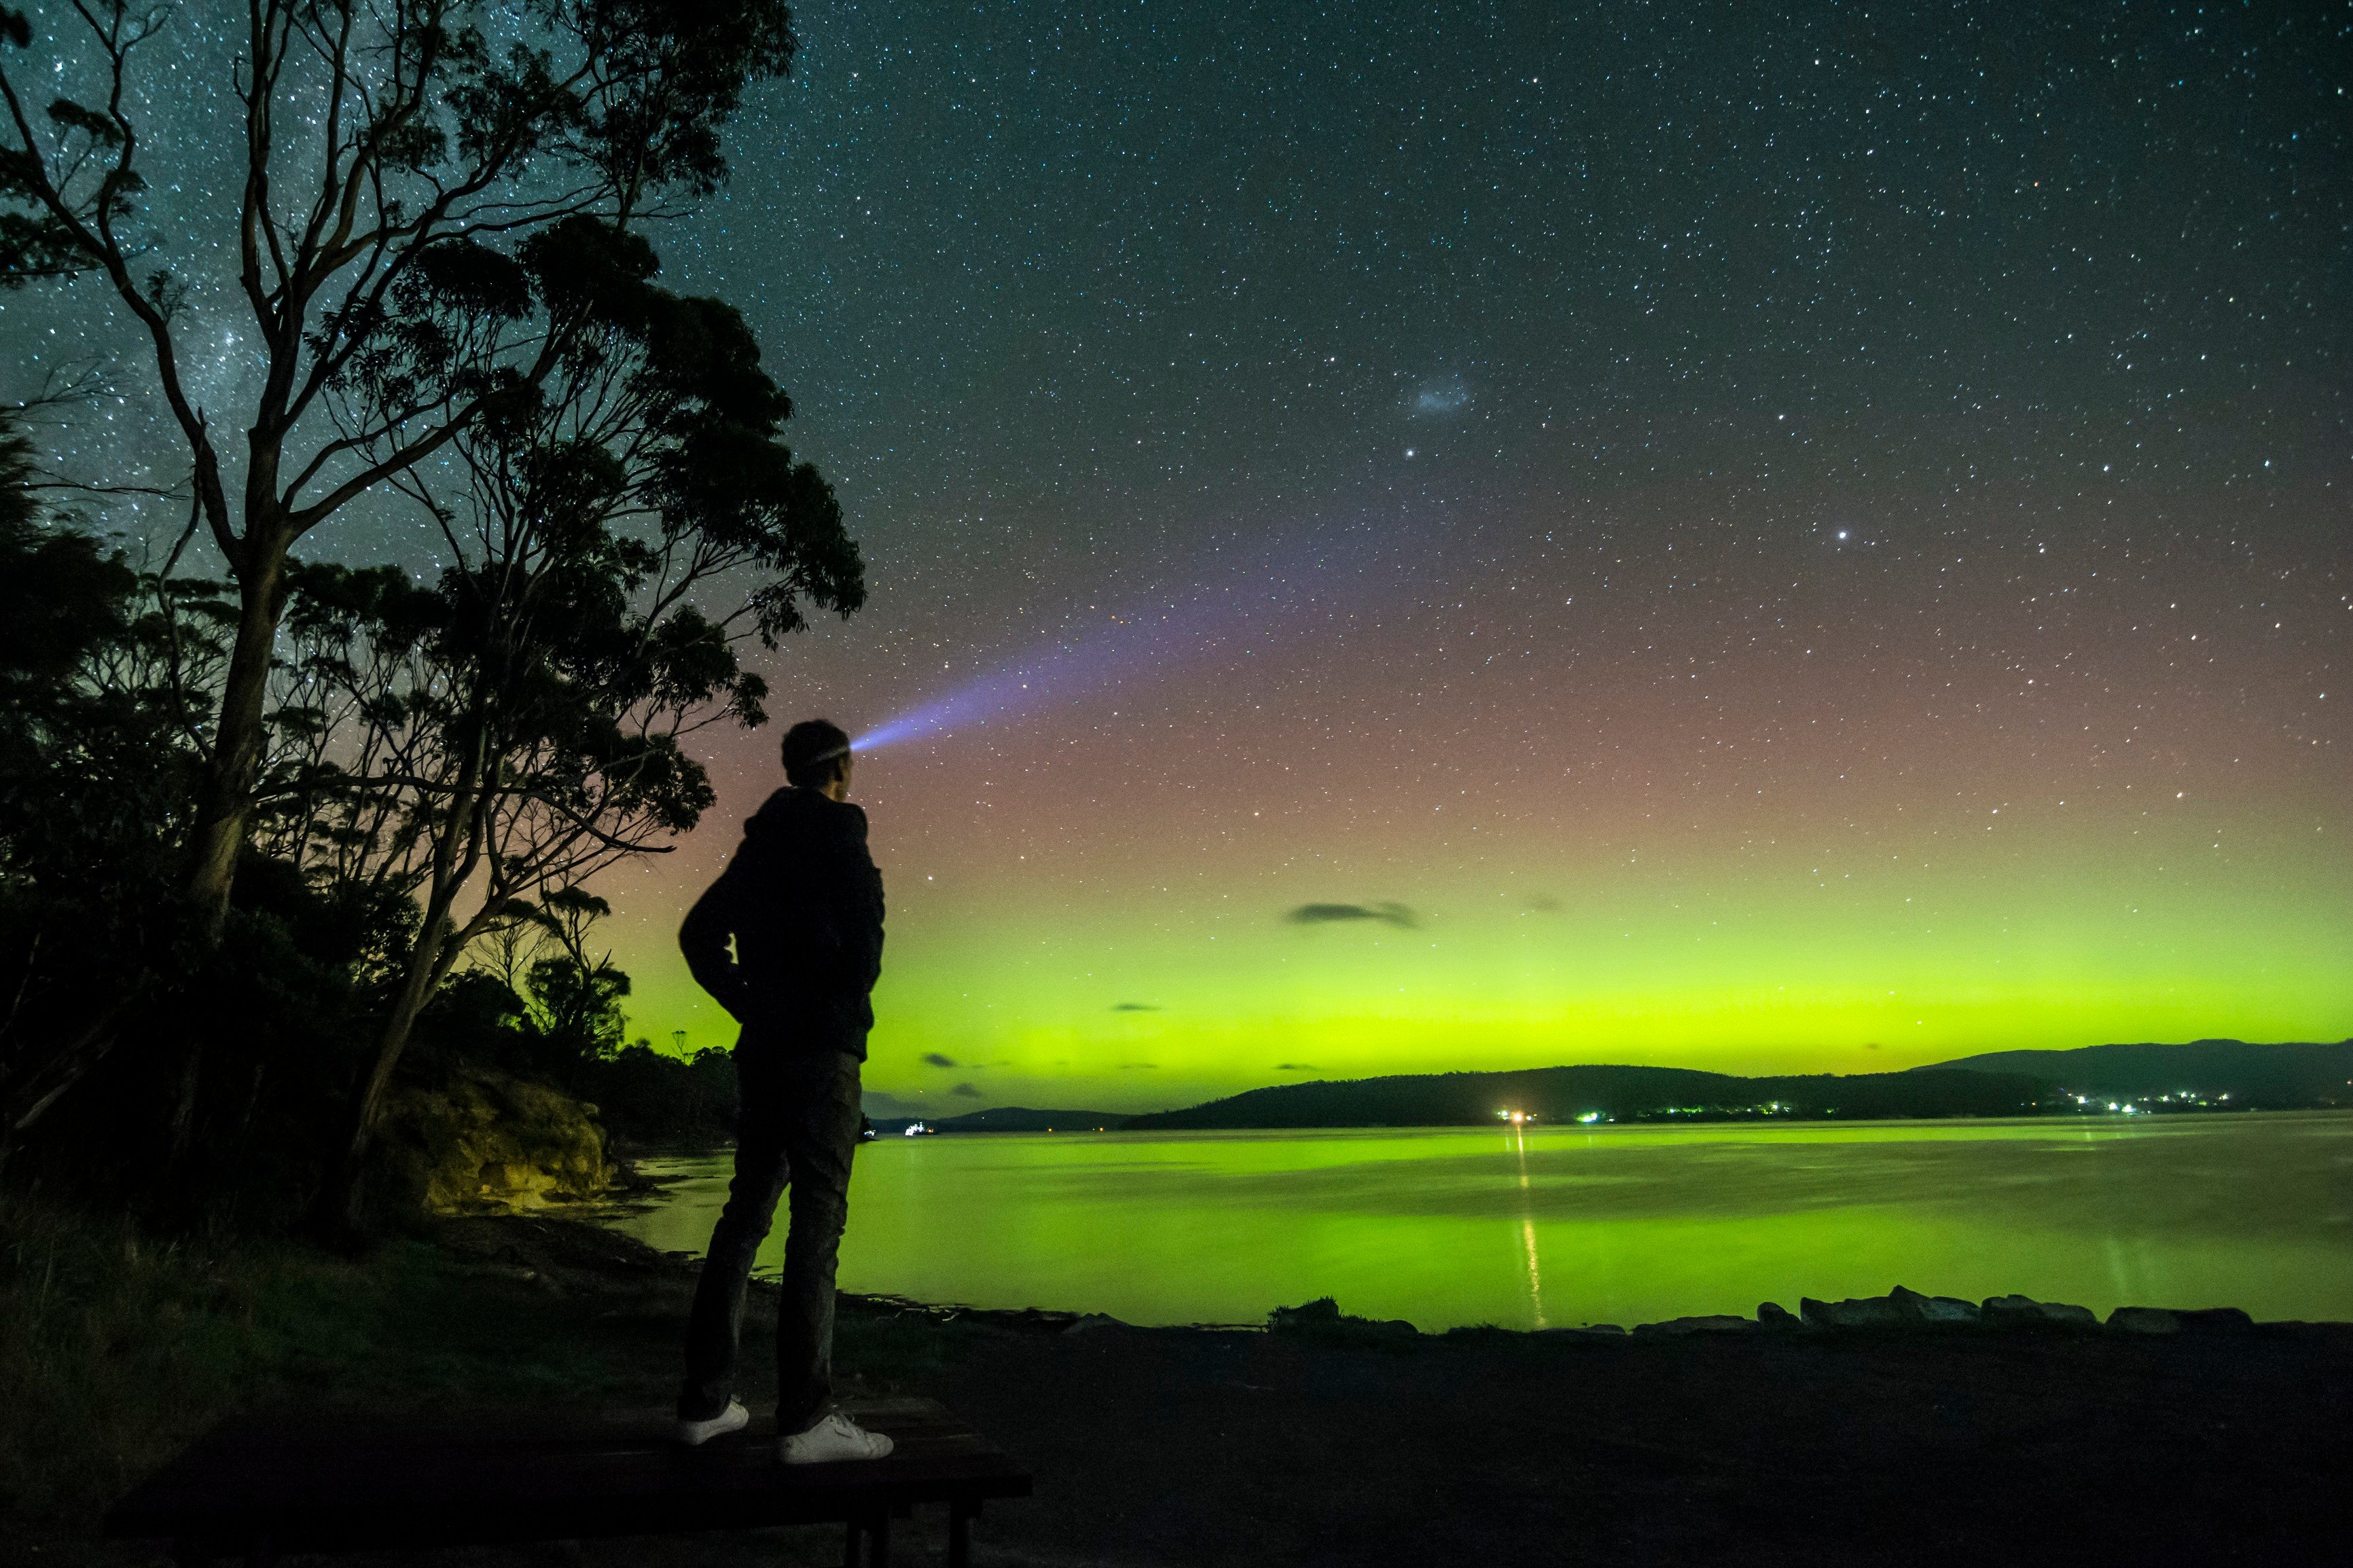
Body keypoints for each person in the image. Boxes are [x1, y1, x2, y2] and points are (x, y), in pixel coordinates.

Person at [672, 718, 893, 1463]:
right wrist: (822, 1008)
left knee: (743, 1219)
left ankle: (704, 1403)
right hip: (819, 1058)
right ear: (842, 768)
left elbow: (698, 934)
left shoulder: (759, 847)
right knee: (816, 1226)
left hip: (763, 1052)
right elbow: (864, 956)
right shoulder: (842, 836)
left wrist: (752, 1004)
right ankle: (804, 1418)